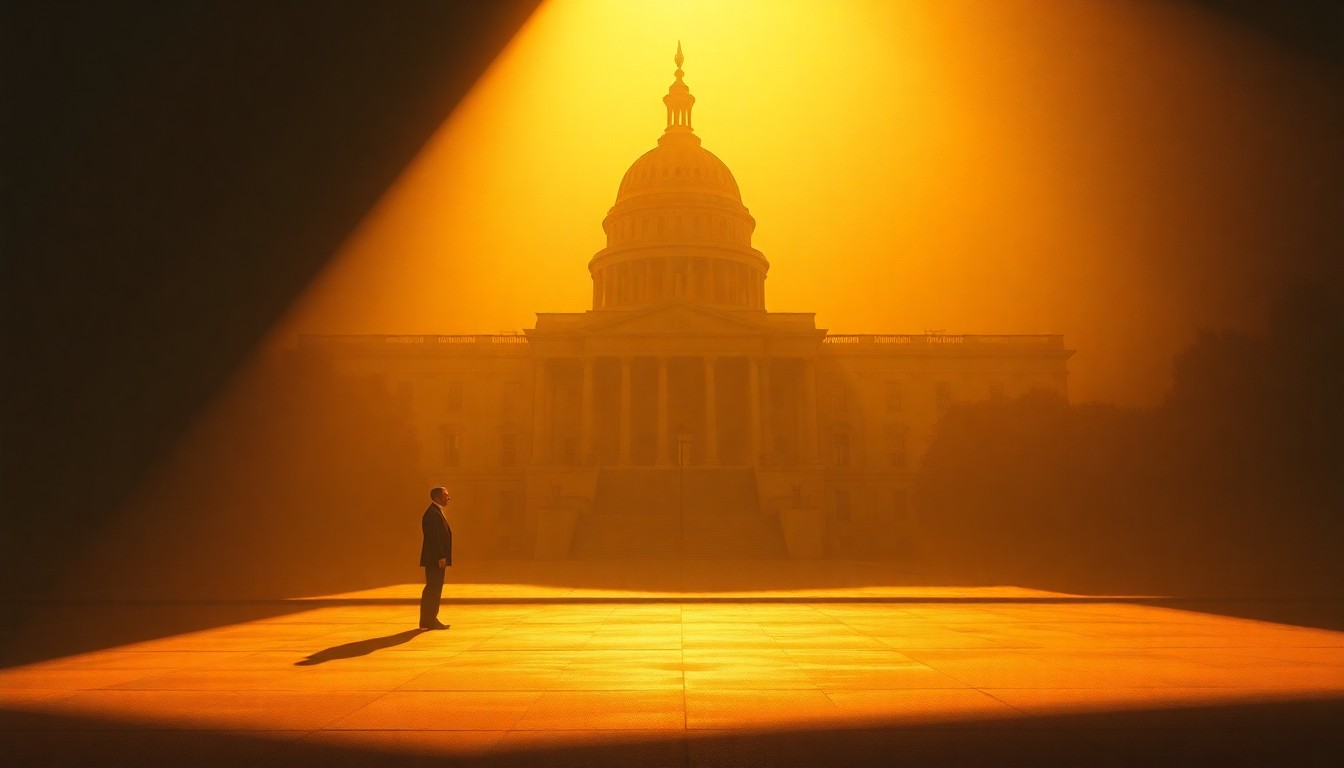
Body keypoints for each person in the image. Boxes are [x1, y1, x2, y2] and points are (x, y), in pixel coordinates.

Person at [418, 486, 453, 630]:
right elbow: (434, 538)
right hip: (435, 559)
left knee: (433, 588)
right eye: (446, 495)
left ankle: (428, 620)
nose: (448, 497)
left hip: (435, 559)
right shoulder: (432, 514)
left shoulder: (435, 512)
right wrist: (441, 556)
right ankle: (430, 620)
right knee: (433, 589)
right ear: (438, 497)